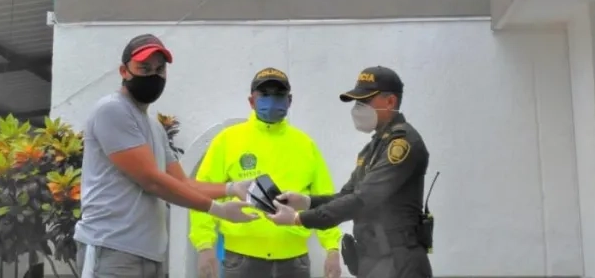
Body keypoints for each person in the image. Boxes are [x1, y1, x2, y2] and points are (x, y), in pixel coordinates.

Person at [75, 33, 259, 278]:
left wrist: (232, 189)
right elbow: (152, 180)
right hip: (112, 250)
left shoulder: (154, 127)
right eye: (144, 67)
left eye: (159, 69)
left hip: (149, 256)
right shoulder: (112, 110)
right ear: (124, 71)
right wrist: (218, 210)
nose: (153, 75)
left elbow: (183, 183)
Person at [265, 66, 433, 278]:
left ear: (390, 102)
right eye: (356, 102)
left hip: (400, 261)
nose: (357, 109)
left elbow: (362, 200)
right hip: (375, 260)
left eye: (365, 102)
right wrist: (305, 201)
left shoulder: (402, 145)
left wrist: (299, 219)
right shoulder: (374, 146)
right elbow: (346, 195)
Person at [189, 67, 343, 278]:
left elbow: (324, 201)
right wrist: (204, 245)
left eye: (279, 94)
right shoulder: (227, 141)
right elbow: (202, 195)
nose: (272, 100)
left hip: (294, 262)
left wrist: (332, 248)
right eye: (265, 94)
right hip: (241, 260)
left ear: (289, 101)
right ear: (251, 101)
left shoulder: (305, 145)